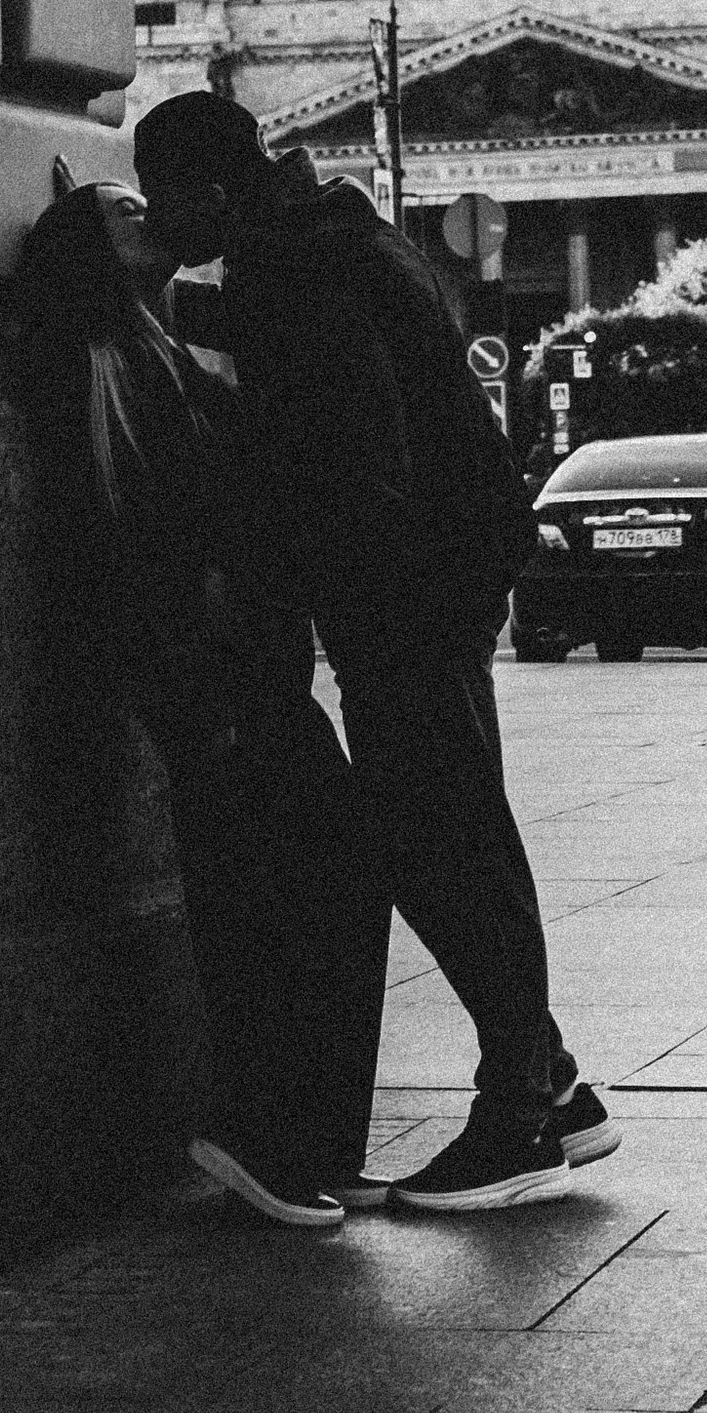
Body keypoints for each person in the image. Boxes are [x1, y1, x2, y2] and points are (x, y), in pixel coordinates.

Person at [134, 89, 610, 1214]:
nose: (160, 227)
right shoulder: (327, 237)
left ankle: (520, 1117)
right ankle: (553, 1081)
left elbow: (349, 460)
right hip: (435, 572)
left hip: (406, 587)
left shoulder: (294, 265)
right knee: (441, 829)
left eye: (164, 205)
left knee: (441, 835)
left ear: (207, 190)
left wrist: (274, 599)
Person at [11, 173, 392, 1233]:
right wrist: (184, 676)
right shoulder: (86, 363)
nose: (152, 213)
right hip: (203, 674)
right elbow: (115, 537)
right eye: (122, 210)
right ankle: (257, 1133)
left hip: (249, 661)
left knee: (336, 870)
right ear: (85, 249)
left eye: (147, 197)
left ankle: (315, 1134)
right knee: (256, 896)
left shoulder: (165, 349)